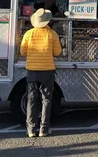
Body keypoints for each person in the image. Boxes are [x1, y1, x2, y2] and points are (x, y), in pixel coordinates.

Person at [20, 8, 62, 137]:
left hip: (32, 71)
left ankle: (31, 129)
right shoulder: (52, 34)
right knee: (46, 100)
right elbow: (57, 52)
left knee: (31, 99)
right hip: (47, 71)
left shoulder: (29, 34)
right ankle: (44, 128)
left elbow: (23, 52)